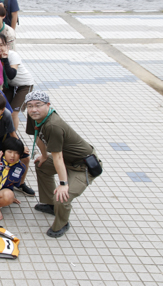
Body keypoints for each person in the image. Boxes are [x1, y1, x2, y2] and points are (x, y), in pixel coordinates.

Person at [25, 90, 102, 238]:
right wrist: (44, 155)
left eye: (38, 105)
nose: (33, 109)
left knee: (62, 196)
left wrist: (63, 183)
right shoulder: (34, 116)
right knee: (42, 165)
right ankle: (50, 205)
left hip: (82, 166)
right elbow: (37, 136)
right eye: (30, 106)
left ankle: (62, 223)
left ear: (48, 105)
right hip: (64, 160)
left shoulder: (53, 125)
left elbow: (58, 158)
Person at [0, 34, 34, 130]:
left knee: (13, 113)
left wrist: (5, 59)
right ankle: (4, 131)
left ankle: (13, 135)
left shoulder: (12, 55)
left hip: (25, 85)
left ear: (7, 46)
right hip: (10, 85)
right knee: (3, 108)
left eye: (2, 45)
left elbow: (11, 75)